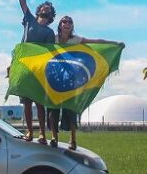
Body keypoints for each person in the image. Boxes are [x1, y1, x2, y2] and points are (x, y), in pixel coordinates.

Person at [47, 15, 124, 150]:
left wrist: (115, 44)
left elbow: (97, 41)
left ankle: (73, 139)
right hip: (55, 77)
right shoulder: (53, 39)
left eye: (70, 22)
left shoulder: (75, 40)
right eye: (64, 21)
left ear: (72, 26)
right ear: (60, 25)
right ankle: (54, 137)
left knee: (71, 108)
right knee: (53, 109)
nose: (67, 23)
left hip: (71, 79)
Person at [17, 0, 56, 144]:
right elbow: (22, 3)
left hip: (39, 70)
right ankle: (29, 132)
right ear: (40, 10)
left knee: (39, 103)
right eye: (44, 7)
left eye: (49, 8)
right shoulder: (29, 20)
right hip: (24, 66)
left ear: (51, 15)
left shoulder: (49, 32)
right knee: (26, 103)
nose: (46, 9)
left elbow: (49, 54)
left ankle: (42, 133)